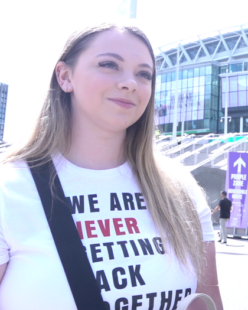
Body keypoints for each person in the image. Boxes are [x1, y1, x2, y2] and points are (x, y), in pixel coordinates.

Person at [0, 23, 223, 310]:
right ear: (65, 76)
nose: (130, 82)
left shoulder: (179, 188)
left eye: (144, 74)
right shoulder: (10, 188)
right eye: (108, 64)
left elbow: (207, 302)